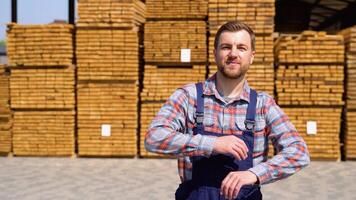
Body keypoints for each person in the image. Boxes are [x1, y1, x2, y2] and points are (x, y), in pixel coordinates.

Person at [145, 21, 310, 200]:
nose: (233, 54)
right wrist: (211, 144)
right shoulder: (189, 96)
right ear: (215, 53)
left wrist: (254, 174)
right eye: (226, 47)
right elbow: (154, 137)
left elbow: (299, 151)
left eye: (241, 48)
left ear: (251, 56)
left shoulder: (263, 105)